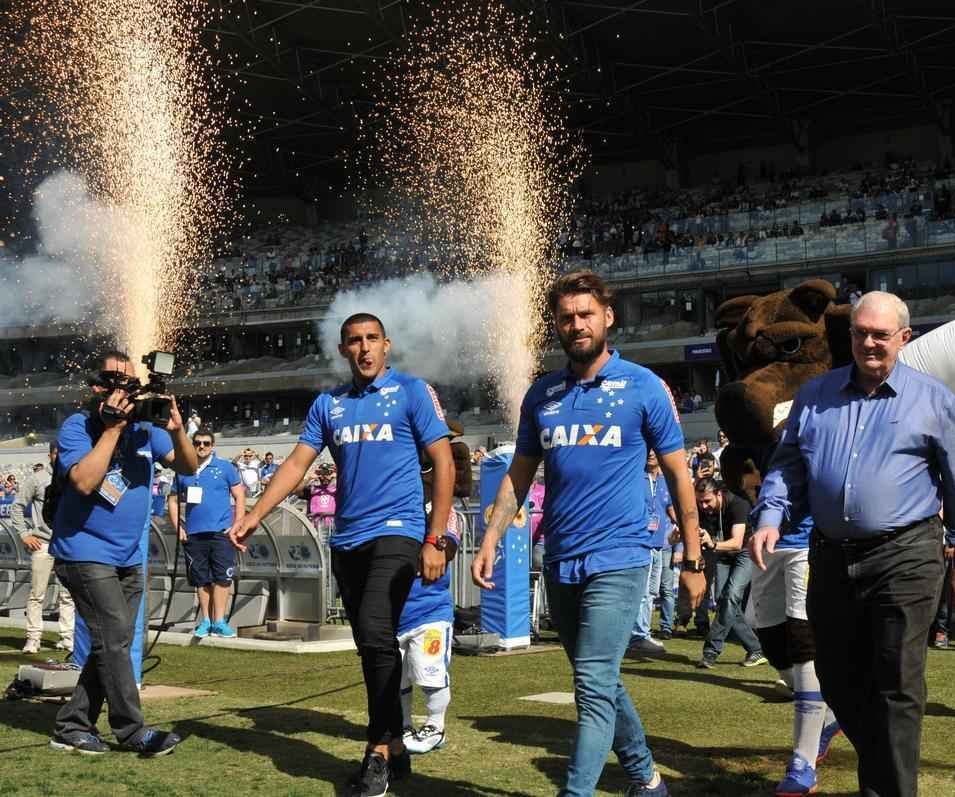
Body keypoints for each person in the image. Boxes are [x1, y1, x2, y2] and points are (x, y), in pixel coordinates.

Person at [472, 270, 705, 797]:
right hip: (561, 560)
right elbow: (519, 474)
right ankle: (646, 779)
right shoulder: (542, 394)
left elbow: (677, 475)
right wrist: (489, 540)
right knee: (600, 681)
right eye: (567, 317)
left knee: (592, 685)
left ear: (608, 318)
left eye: (586, 315)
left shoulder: (645, 386)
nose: (577, 325)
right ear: (556, 324)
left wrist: (692, 559)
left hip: (620, 556)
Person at [751, 291, 955, 797]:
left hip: (906, 555)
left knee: (897, 683)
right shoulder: (816, 396)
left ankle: (886, 790)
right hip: (831, 556)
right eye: (860, 333)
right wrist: (771, 513)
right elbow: (789, 465)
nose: (869, 343)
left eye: (881, 334)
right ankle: (882, 768)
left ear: (905, 337)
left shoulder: (934, 400)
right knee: (835, 677)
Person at [230, 313, 454, 797]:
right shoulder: (328, 405)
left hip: (399, 533)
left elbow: (442, 459)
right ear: (343, 350)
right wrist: (256, 513)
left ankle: (376, 750)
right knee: (371, 646)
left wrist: (435, 538)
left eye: (373, 339)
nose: (365, 348)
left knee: (376, 632)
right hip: (347, 542)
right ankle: (395, 747)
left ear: (387, 345)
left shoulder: (413, 392)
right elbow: (296, 464)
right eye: (355, 341)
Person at [49, 350, 198, 757]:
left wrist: (178, 429)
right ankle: (132, 731)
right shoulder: (78, 426)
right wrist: (112, 430)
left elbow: (188, 467)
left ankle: (72, 724)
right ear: (98, 388)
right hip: (83, 551)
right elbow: (83, 481)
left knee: (110, 643)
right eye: (120, 385)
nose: (129, 393)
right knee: (114, 638)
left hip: (128, 555)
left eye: (134, 385)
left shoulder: (147, 429)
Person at [747, 485, 840, 796]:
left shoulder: (807, 436)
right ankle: (829, 714)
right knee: (769, 639)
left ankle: (803, 763)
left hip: (806, 543)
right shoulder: (743, 448)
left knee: (803, 641)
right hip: (766, 542)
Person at [168, 429, 246, 639]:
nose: (201, 447)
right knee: (201, 579)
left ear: (212, 446)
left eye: (206, 443)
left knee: (222, 577)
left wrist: (238, 522)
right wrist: (178, 527)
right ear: (192, 444)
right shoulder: (183, 470)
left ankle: (220, 621)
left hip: (221, 532)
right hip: (194, 534)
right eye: (198, 443)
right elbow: (173, 500)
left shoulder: (225, 467)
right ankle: (206, 621)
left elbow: (239, 495)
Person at [397, 516, 460, 756]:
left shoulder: (443, 511)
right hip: (392, 613)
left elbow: (449, 548)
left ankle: (436, 725)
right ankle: (402, 726)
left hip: (429, 611)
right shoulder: (394, 501)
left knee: (429, 672)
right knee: (396, 676)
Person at [695, 477, 765, 668]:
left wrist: (712, 543)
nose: (703, 505)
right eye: (700, 501)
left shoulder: (738, 505)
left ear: (719, 493)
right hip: (722, 554)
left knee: (731, 596)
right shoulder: (701, 508)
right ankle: (756, 649)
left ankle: (710, 651)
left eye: (707, 501)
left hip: (744, 552)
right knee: (723, 599)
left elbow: (735, 542)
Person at [15, 451, 75, 655]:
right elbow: (17, 506)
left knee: (68, 595)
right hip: (42, 542)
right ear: (50, 454)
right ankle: (33, 638)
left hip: (67, 544)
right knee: (37, 594)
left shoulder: (74, 476)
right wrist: (24, 534)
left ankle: (67, 637)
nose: (61, 456)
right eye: (58, 452)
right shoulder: (38, 478)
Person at [627, 450, 673, 655]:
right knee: (643, 592)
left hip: (659, 544)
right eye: (649, 450)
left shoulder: (665, 481)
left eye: (655, 450)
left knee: (653, 592)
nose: (652, 454)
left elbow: (671, 509)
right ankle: (638, 634)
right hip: (640, 543)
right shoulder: (636, 477)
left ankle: (642, 632)